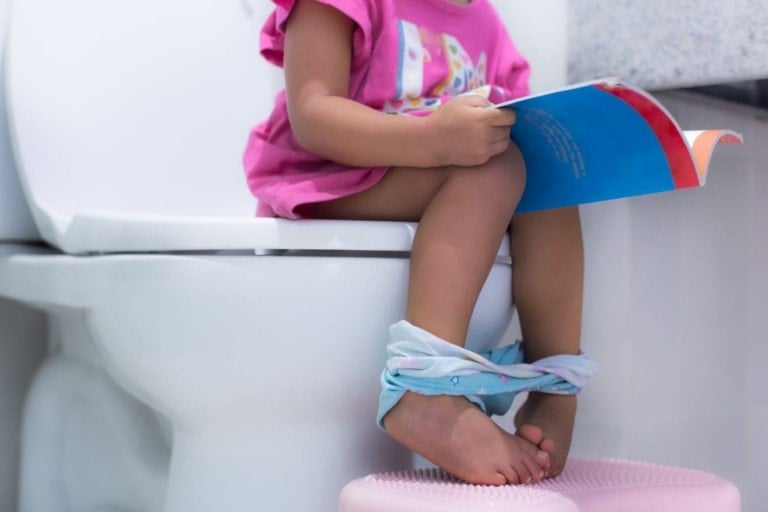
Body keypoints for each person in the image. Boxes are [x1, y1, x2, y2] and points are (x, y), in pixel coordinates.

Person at [243, 0, 591, 486]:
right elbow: (313, 115)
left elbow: (521, 132)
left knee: (548, 179)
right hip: (327, 179)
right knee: (495, 170)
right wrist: (432, 140)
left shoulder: (486, 23)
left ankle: (554, 385)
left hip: (426, 180)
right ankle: (425, 391)